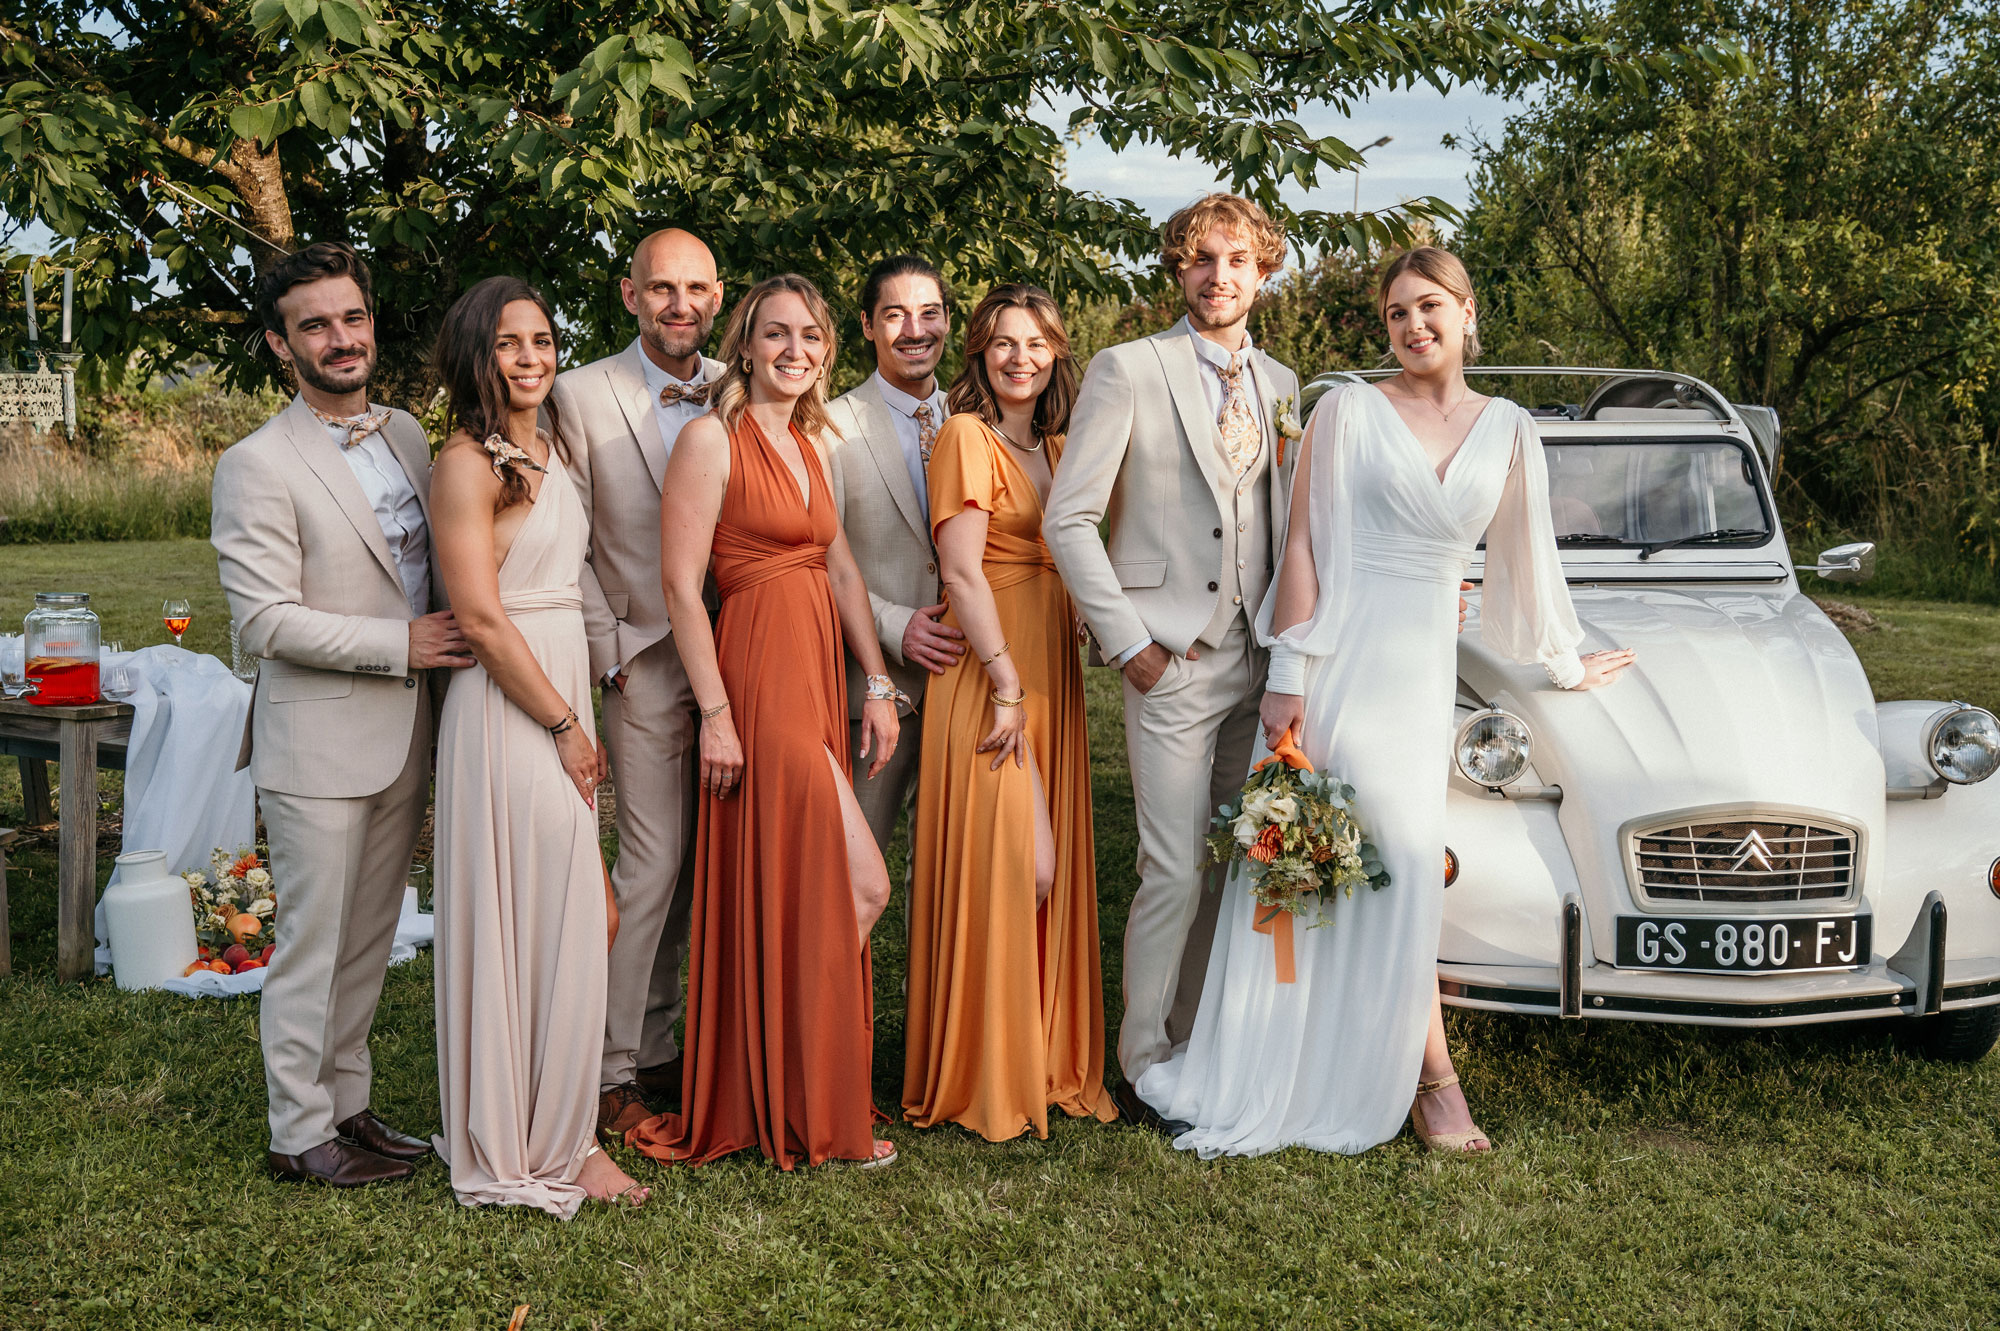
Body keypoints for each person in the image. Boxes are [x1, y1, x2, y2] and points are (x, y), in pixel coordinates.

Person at [1136, 247, 1637, 1157]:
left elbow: (1526, 565)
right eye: (1398, 313)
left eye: (1430, 307)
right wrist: (1288, 672)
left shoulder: (1511, 428)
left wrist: (1565, 661)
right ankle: (1428, 1076)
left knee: (1400, 869)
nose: (1414, 326)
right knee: (1330, 864)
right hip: (1335, 665)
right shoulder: (1347, 411)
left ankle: (1391, 1062)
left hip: (1417, 680)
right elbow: (1304, 548)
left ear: (1468, 313)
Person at [628, 274, 903, 1170]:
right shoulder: (711, 439)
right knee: (852, 880)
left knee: (815, 881)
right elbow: (680, 585)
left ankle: (795, 1088)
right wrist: (716, 712)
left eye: (812, 337)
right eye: (777, 334)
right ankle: (800, 1096)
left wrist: (876, 680)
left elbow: (845, 571)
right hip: (756, 671)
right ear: (743, 344)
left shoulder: (810, 445)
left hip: (819, 667)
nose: (796, 350)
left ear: (828, 351)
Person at [213, 242, 471, 1187]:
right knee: (313, 945)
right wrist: (403, 645)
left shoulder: (406, 432)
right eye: (314, 325)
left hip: (407, 731)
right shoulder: (255, 463)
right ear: (283, 346)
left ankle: (349, 1107)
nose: (340, 338)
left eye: (351, 317)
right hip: (318, 737)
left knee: (368, 937)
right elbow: (264, 621)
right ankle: (296, 1132)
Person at [1042, 193, 1303, 1123]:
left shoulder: (1283, 383)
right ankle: (1142, 1056)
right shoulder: (1128, 369)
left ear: (1263, 271)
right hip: (1170, 658)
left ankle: (1199, 1040)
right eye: (1199, 259)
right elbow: (1066, 519)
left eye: (1235, 259)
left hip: (1257, 660)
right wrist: (1128, 642)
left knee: (1236, 863)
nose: (1216, 276)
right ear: (1176, 270)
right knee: (1172, 867)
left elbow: (1287, 527)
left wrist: (1288, 654)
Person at [428, 276, 647, 1214]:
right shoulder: (465, 463)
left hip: (561, 679)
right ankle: (545, 1138)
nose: (531, 357)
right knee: (553, 909)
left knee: (577, 910)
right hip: (510, 703)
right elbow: (477, 614)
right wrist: (562, 723)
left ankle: (560, 1124)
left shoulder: (551, 448)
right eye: (510, 342)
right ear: (478, 355)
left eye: (544, 339)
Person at [902, 284, 1116, 1140]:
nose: (1019, 356)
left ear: (1058, 352)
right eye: (1001, 342)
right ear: (980, 355)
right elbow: (959, 573)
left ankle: (1044, 1054)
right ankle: (982, 1072)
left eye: (1035, 342)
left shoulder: (1063, 451)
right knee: (1015, 867)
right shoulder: (965, 438)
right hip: (990, 679)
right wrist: (1006, 685)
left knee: (1048, 872)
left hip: (1051, 677)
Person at [546, 228, 725, 1141]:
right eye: (661, 288)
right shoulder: (578, 395)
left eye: (695, 287)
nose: (678, 303)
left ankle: (667, 1046)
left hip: (743, 656)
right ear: (629, 295)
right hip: (644, 661)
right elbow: (562, 538)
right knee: (651, 864)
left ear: (720, 294)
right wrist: (607, 648)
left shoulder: (748, 380)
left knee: (708, 867)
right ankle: (612, 1065)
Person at [825, 255, 966, 848]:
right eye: (895, 315)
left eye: (929, 313)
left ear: (948, 321)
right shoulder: (827, 427)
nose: (915, 330)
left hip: (970, 684)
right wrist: (892, 624)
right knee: (854, 870)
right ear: (866, 325)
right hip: (876, 688)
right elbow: (820, 557)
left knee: (951, 883)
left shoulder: (977, 417)